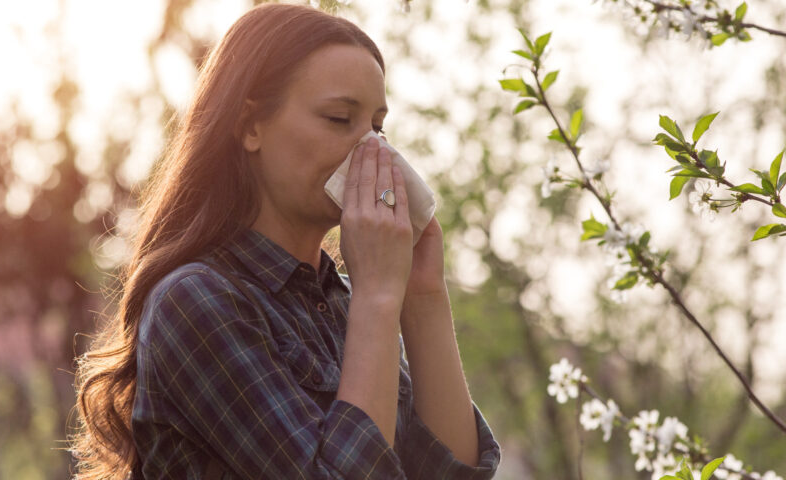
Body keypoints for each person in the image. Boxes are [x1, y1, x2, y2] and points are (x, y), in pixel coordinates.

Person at [71, 4, 500, 479]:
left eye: (378, 126)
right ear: (251, 126)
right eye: (340, 119)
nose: (373, 150)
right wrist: (379, 298)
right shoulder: (197, 302)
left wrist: (422, 300)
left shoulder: (346, 305)